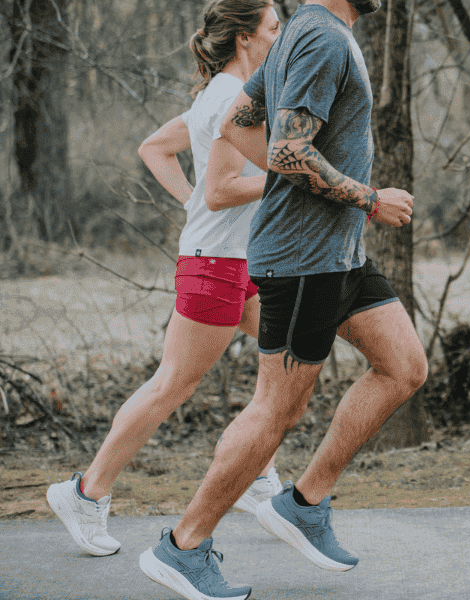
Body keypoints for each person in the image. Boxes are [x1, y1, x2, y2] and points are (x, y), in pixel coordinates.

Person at [134, 0, 428, 598]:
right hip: (303, 259)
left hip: (338, 251)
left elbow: (238, 126)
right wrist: (369, 198)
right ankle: (183, 547)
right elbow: (290, 149)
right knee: (276, 410)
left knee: (404, 366)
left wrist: (325, 202)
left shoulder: (301, 32)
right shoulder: (319, 38)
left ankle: (304, 504)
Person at [46, 0, 290, 568]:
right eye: (275, 29)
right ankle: (85, 493)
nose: (282, 39)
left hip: (238, 260)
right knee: (172, 385)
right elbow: (221, 190)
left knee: (287, 353)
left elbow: (154, 147)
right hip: (215, 266)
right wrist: (286, 179)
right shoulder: (229, 99)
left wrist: (192, 205)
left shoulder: (227, 97)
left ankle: (253, 467)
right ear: (246, 39)